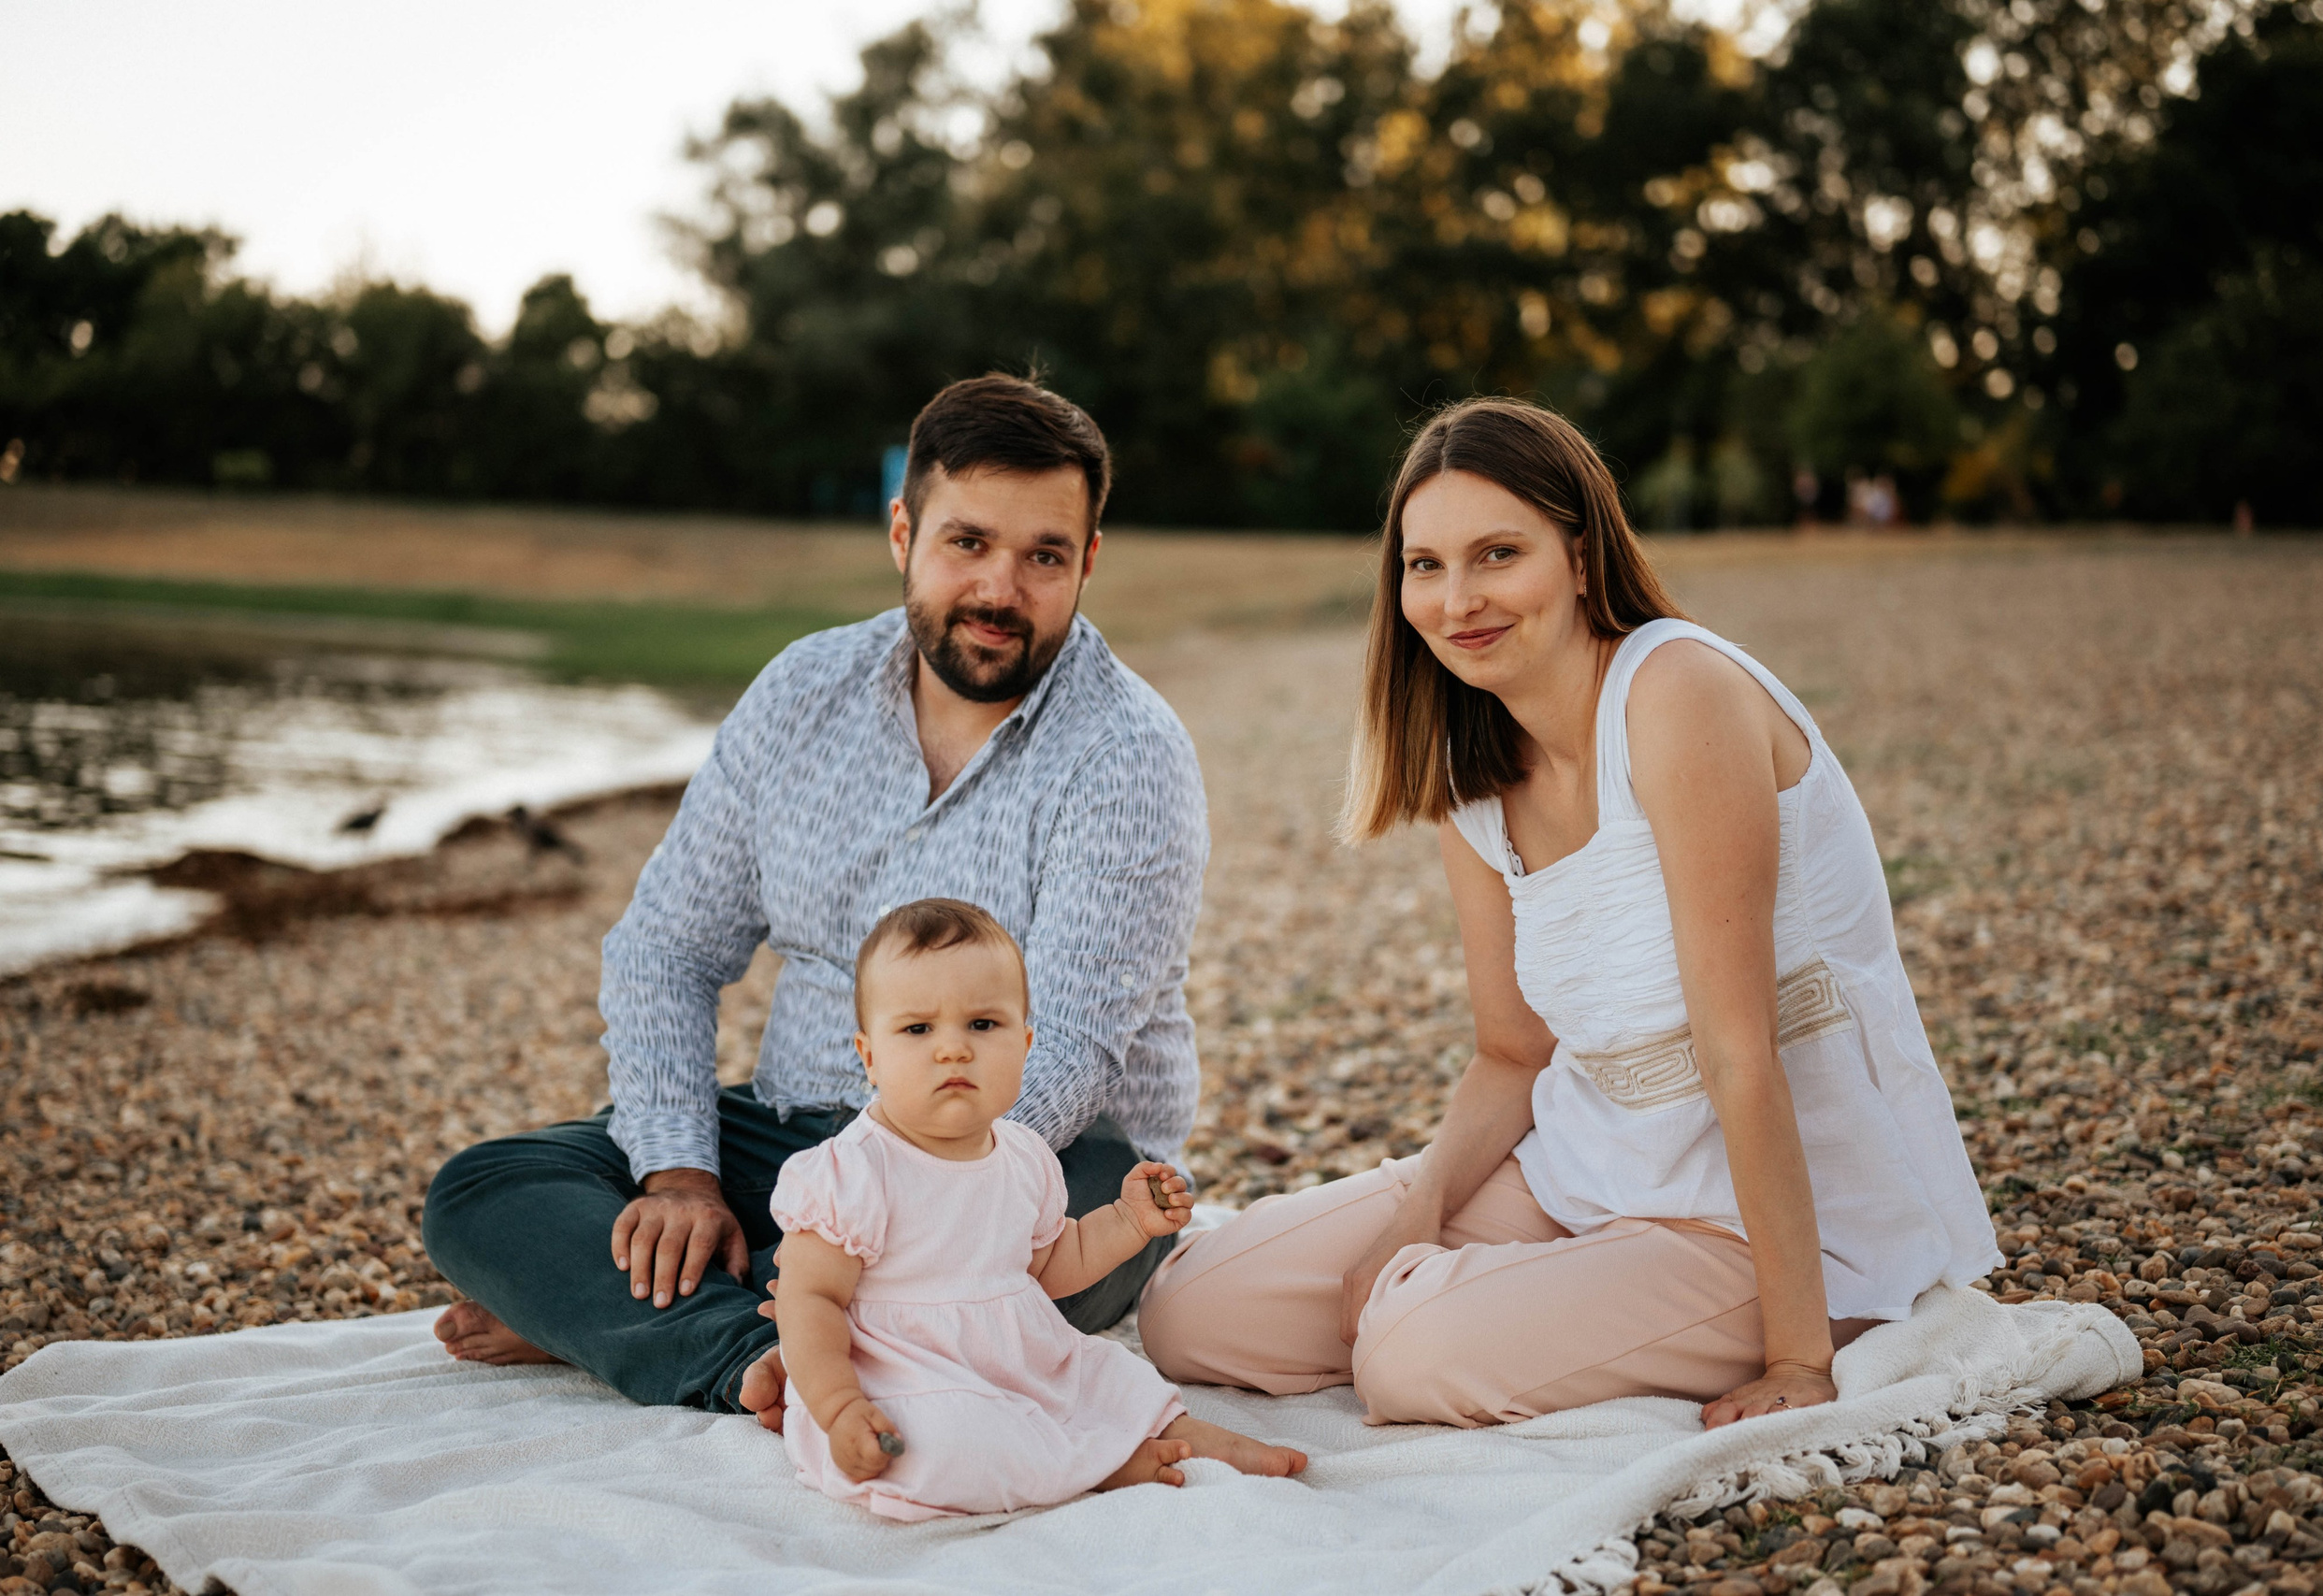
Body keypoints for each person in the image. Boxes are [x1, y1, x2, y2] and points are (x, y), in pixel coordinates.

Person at [1138, 397, 1999, 1430]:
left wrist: (1797, 1360)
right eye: (1425, 566)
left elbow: (1741, 1051)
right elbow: (1510, 1052)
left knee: (1410, 1355)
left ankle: (1709, 1314)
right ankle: (1545, 1297)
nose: (1458, 601)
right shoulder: (1473, 773)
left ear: (1581, 557)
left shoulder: (1677, 692)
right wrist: (1414, 1212)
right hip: (1583, 1172)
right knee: (1194, 1311)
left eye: (1497, 554)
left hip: (1764, 1218)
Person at [420, 374, 1211, 1416]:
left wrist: (856, 1204)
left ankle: (645, 1318)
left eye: (1044, 556)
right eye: (967, 543)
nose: (1000, 591)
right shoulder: (802, 690)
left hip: (1023, 1167)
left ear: (1087, 562)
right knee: (482, 1192)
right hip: (787, 1128)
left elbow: (1060, 1056)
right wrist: (682, 1181)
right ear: (902, 532)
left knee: (1074, 1254)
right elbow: (666, 946)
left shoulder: (1129, 755)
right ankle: (752, 1335)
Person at [763, 899, 1305, 1518]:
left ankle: (1185, 1434)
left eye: (982, 1025)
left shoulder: (1022, 1154)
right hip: (905, 1372)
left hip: (1018, 1354)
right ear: (869, 1055)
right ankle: (1096, 1466)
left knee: (1109, 1376)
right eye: (917, 1029)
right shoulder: (852, 1170)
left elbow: (1053, 1261)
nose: (953, 1050)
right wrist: (837, 1406)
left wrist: (1128, 1222)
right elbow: (809, 1300)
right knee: (942, 1444)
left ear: (1024, 1044)